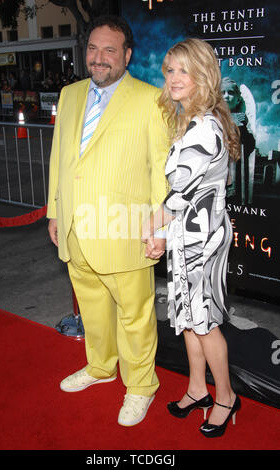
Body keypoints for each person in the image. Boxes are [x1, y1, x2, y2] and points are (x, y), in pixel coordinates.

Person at [47, 15, 169, 426]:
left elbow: (162, 171)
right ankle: (100, 367)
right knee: (94, 309)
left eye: (109, 50)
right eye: (93, 49)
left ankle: (141, 386)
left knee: (135, 315)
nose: (98, 58)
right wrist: (53, 210)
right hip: (76, 227)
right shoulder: (69, 94)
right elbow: (59, 160)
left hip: (125, 228)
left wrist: (160, 226)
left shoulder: (152, 99)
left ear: (127, 55)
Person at [141, 38, 242, 438]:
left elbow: (177, 196)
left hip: (203, 239)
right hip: (189, 233)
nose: (174, 78)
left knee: (204, 322)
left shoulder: (204, 129)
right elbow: (183, 199)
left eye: (184, 70)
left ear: (204, 75)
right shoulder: (193, 122)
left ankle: (226, 396)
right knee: (187, 319)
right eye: (169, 70)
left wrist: (148, 230)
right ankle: (198, 388)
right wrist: (165, 235)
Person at [221, 77, 256, 205]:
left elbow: (250, 146)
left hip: (236, 169)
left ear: (238, 99)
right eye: (222, 93)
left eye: (230, 93)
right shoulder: (212, 118)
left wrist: (243, 128)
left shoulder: (242, 118)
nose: (226, 96)